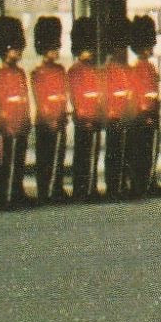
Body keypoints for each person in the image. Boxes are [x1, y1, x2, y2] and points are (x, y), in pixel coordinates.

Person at [0, 15, 33, 209]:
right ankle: (5, 193)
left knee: (19, 159)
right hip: (6, 124)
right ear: (6, 50)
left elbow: (23, 97)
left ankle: (17, 191)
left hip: (21, 122)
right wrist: (3, 121)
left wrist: (26, 118)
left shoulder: (20, 73)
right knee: (6, 160)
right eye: (15, 49)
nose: (18, 53)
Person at [30, 16, 70, 203]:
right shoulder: (39, 73)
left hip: (59, 118)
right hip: (45, 121)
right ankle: (45, 190)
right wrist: (50, 117)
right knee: (45, 157)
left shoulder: (60, 70)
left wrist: (63, 112)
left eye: (56, 48)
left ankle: (56, 187)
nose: (55, 51)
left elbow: (62, 93)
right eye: (52, 48)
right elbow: (41, 98)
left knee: (57, 156)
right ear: (45, 50)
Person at [127, 15, 161, 198]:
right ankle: (144, 183)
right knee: (144, 152)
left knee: (148, 151)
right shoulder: (140, 68)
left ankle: (148, 181)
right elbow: (141, 93)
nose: (150, 50)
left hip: (150, 113)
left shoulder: (147, 67)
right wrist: (147, 112)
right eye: (147, 47)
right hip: (145, 115)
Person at [67, 17, 105, 202]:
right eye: (85, 50)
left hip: (95, 116)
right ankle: (81, 189)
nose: (88, 53)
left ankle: (91, 186)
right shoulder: (75, 71)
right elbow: (76, 95)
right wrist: (83, 115)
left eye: (89, 49)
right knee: (82, 155)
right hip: (83, 119)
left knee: (92, 154)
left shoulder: (93, 70)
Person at [101, 24, 134, 199]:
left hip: (126, 116)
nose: (123, 51)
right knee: (114, 153)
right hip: (114, 118)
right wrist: (115, 114)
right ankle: (113, 186)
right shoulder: (108, 69)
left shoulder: (126, 69)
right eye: (120, 47)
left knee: (125, 153)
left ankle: (123, 183)